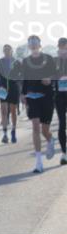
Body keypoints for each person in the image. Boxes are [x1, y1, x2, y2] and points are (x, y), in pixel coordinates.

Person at [18, 35, 57, 174]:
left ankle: (51, 140)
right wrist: (23, 94)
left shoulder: (48, 59)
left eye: (35, 42)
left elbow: (55, 75)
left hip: (46, 97)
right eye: (31, 43)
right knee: (35, 126)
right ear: (29, 46)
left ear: (40, 45)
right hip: (32, 96)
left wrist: (50, 79)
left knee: (44, 130)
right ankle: (39, 163)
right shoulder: (26, 61)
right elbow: (24, 79)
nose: (33, 45)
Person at [0, 45, 21, 144]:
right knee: (3, 110)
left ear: (11, 51)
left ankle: (13, 130)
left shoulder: (17, 61)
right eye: (4, 50)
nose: (6, 51)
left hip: (14, 87)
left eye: (8, 50)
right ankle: (5, 134)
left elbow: (21, 74)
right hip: (3, 88)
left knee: (13, 111)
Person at [55, 37, 67, 166]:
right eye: (60, 45)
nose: (62, 47)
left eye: (64, 45)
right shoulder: (54, 61)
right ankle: (64, 153)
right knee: (62, 124)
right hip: (59, 95)